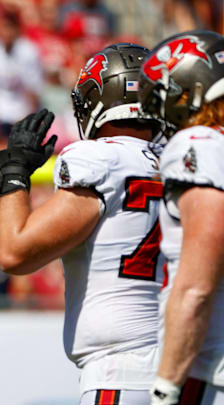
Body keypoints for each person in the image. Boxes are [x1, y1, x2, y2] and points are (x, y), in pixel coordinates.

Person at [0, 43, 164, 404]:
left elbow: (15, 253)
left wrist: (14, 175)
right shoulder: (185, 160)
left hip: (124, 369)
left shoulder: (100, 159)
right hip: (189, 360)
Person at [138, 30, 224, 405]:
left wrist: (166, 387)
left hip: (209, 370)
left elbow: (196, 287)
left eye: (165, 95)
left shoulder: (198, 145)